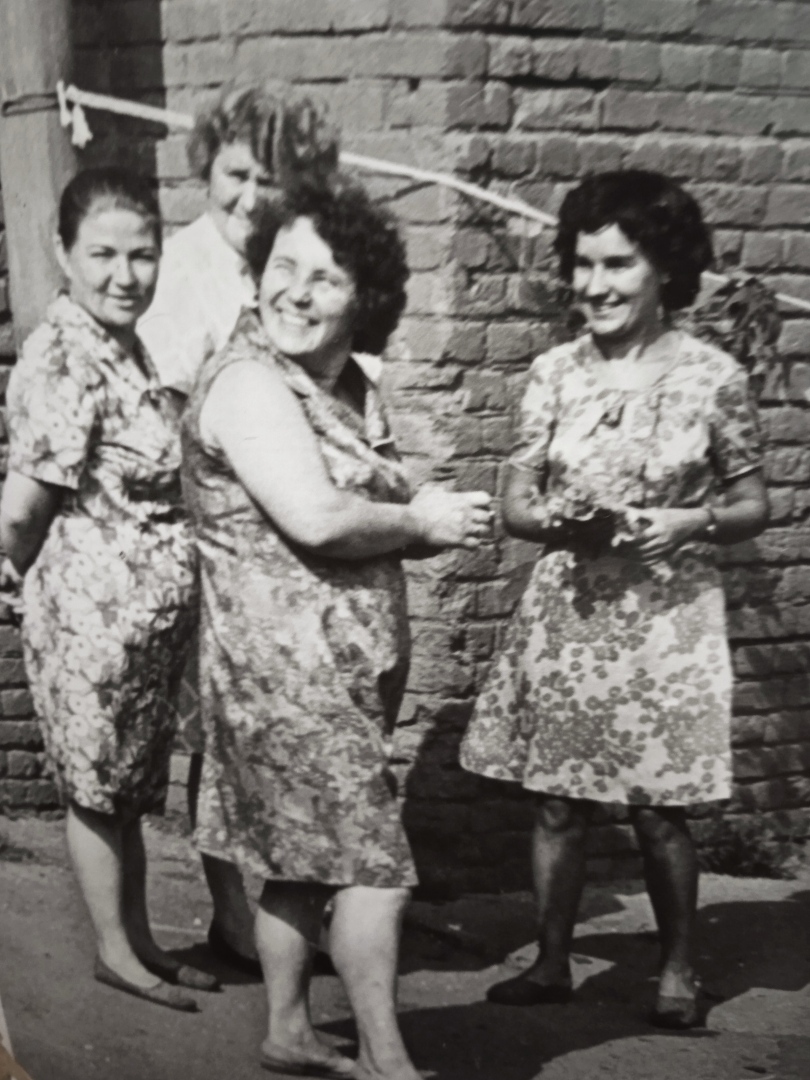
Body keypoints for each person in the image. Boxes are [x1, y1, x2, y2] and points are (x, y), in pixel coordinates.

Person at [181, 178, 492, 1078]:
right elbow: (316, 517)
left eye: (324, 277)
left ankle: (289, 1029)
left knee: (301, 861)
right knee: (374, 871)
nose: (295, 291)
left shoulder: (346, 382)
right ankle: (390, 1060)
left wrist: (417, 520)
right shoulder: (249, 382)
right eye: (283, 267)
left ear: (366, 297)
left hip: (336, 671)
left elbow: (364, 501)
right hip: (285, 678)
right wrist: (421, 520)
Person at [460, 170, 769, 1029]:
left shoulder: (713, 377)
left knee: (659, 809)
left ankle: (678, 970)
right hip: (574, 612)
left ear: (665, 267)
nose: (594, 285)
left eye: (618, 264)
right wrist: (558, 521)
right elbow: (516, 504)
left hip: (668, 621)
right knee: (557, 800)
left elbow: (754, 504)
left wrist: (692, 519)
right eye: (583, 264)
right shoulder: (554, 373)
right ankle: (551, 961)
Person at [0, 167, 216, 1011]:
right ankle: (114, 952)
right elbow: (23, 509)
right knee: (96, 790)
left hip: (142, 624)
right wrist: (14, 568)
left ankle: (142, 940)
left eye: (142, 254)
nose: (125, 275)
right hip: (88, 620)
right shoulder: (63, 356)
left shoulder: (123, 344)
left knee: (125, 788)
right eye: (103, 255)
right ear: (63, 253)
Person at [138, 82, 339, 974]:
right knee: (217, 730)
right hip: (216, 529)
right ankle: (229, 910)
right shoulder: (185, 268)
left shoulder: (297, 257)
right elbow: (172, 418)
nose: (252, 196)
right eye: (236, 174)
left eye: (273, 178)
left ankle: (296, 908)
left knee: (293, 724)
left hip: (297, 526)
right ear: (207, 170)